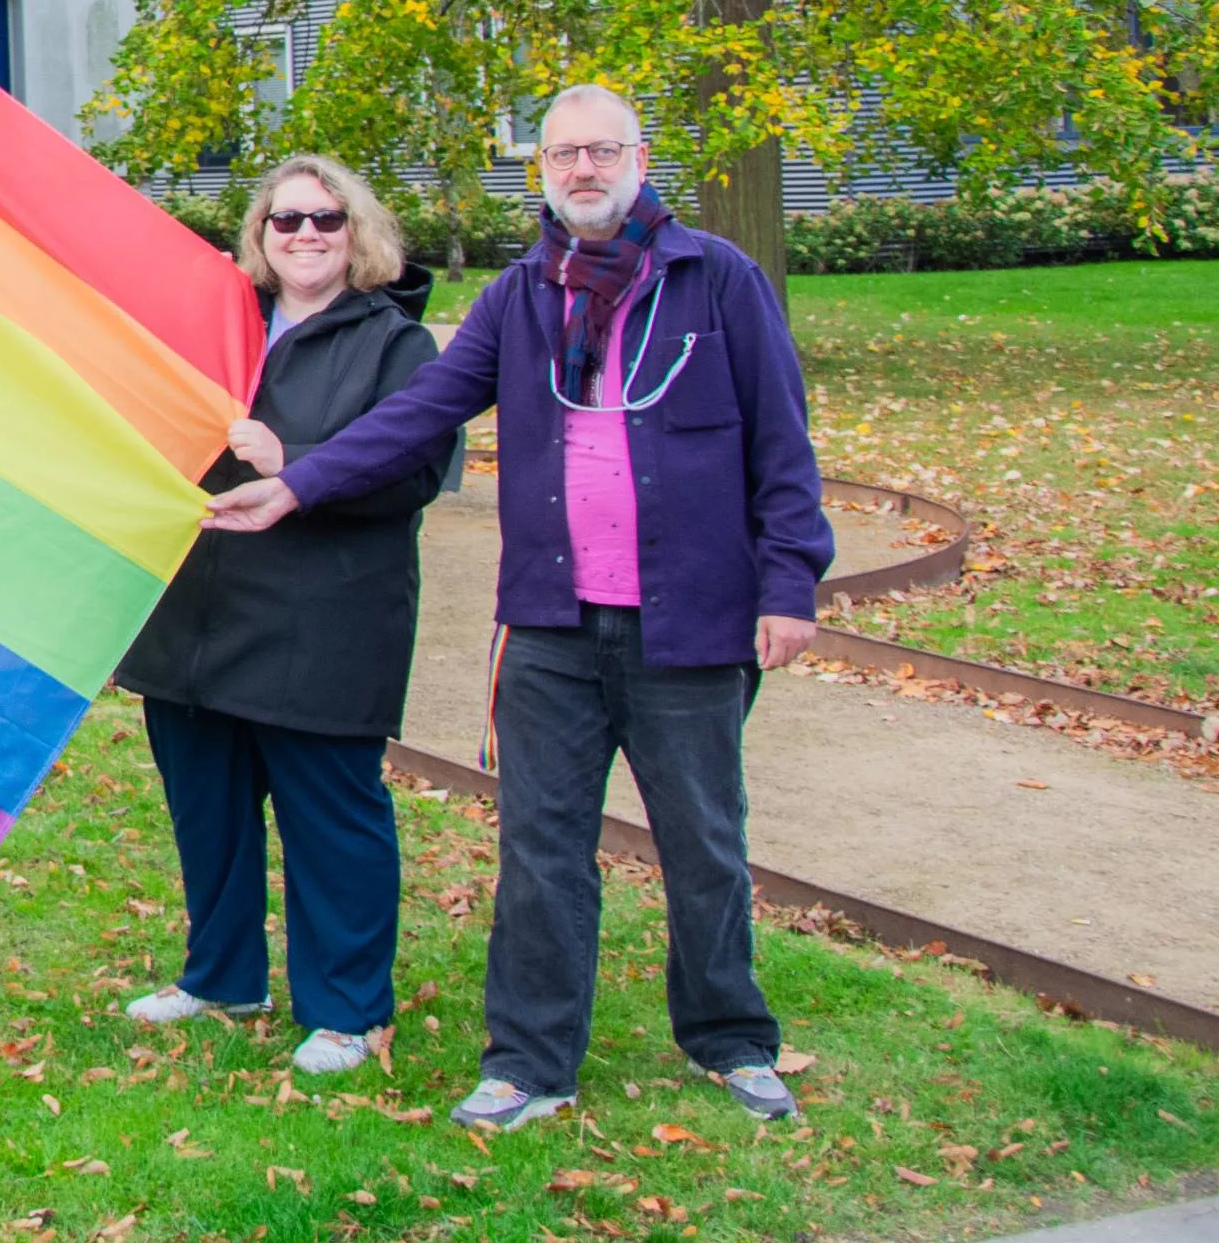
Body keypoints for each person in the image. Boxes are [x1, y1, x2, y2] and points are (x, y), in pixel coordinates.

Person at [206, 84, 834, 1131]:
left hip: (689, 622)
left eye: (601, 151)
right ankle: (530, 1062)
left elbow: (783, 440)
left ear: (639, 156)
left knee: (704, 841)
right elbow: (421, 413)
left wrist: (790, 580)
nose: (582, 171)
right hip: (549, 623)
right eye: (562, 155)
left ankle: (731, 1038)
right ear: (540, 168)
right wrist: (302, 480)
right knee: (541, 848)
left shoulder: (715, 281)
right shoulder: (522, 296)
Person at [114, 155, 455, 1076]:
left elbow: (419, 471)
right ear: (259, 237)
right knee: (209, 813)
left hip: (324, 624)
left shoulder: (395, 345)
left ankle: (346, 1011)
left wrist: (293, 459)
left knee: (330, 822)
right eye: (286, 220)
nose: (306, 235)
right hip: (195, 617)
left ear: (360, 236)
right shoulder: (219, 329)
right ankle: (222, 977)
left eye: (327, 220)